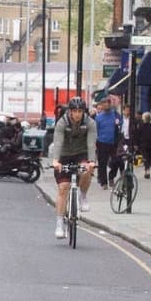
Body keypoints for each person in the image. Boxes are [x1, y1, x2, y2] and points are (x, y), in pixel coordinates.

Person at [50, 96, 98, 239]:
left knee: (87, 170)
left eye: (80, 111)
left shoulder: (90, 123)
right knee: (63, 188)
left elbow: (91, 143)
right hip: (64, 155)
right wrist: (55, 161)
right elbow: (58, 142)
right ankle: (59, 224)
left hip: (81, 154)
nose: (77, 114)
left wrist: (91, 161)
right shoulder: (62, 123)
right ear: (70, 112)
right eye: (75, 111)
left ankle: (82, 196)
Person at [92, 98, 121, 190]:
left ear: (110, 104)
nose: (106, 105)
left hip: (113, 142)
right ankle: (104, 182)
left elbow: (120, 122)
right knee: (102, 163)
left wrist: (118, 123)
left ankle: (111, 176)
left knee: (116, 161)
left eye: (107, 103)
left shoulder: (115, 114)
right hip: (102, 142)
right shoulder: (99, 117)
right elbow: (95, 130)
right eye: (104, 104)